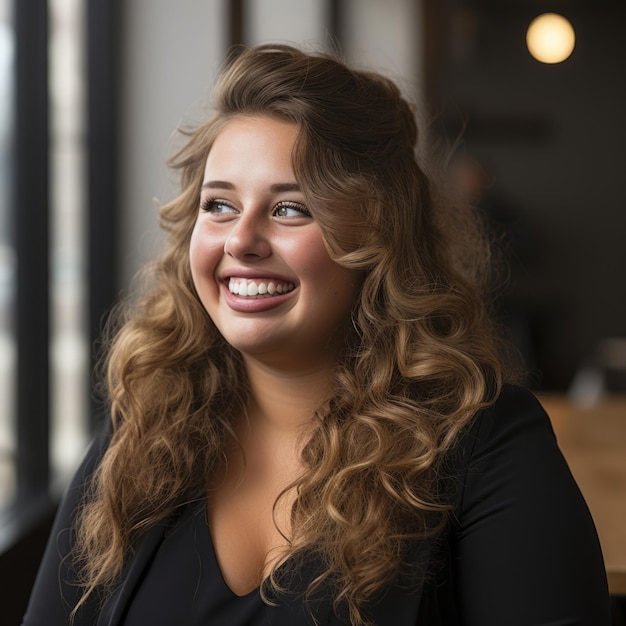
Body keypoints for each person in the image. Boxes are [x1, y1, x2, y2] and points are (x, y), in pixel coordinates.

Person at [23, 44, 610, 626]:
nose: (241, 241)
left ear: (377, 237)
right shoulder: (141, 432)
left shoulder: (487, 445)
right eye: (220, 204)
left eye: (290, 209)